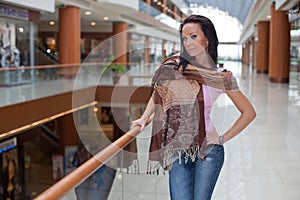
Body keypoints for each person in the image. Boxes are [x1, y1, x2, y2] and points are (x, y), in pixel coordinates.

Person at [131, 14, 256, 200]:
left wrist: (222, 138)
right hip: (177, 149)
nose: (188, 42)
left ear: (208, 40)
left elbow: (249, 112)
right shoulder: (175, 67)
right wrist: (144, 117)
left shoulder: (221, 76)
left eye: (193, 36)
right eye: (184, 38)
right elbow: (159, 94)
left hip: (208, 152)